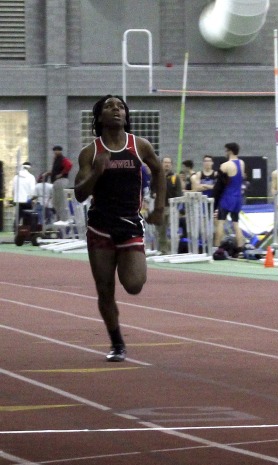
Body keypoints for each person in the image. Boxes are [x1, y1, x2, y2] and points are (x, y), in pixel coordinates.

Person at [73, 94, 166, 362]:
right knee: (105, 290)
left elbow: (159, 171)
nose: (116, 109)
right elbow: (80, 194)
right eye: (109, 106)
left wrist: (159, 208)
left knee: (134, 285)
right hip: (100, 228)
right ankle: (117, 342)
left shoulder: (140, 145)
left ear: (126, 116)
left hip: (130, 225)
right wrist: (96, 172)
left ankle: (117, 337)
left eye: (120, 107)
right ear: (99, 117)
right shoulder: (90, 152)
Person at [214, 142, 246, 249]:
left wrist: (215, 201)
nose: (225, 153)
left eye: (226, 151)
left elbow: (219, 186)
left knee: (220, 222)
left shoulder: (225, 166)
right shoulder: (242, 163)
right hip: (238, 198)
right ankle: (241, 248)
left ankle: (217, 247)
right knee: (236, 223)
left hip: (228, 197)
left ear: (230, 151)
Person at [156, 156, 184, 254]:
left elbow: (179, 193)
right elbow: (152, 189)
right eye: (165, 162)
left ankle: (173, 250)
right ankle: (163, 250)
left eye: (169, 163)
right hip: (160, 207)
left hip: (172, 207)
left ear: (171, 165)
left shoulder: (175, 177)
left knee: (173, 230)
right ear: (162, 164)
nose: (167, 164)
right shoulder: (157, 176)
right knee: (161, 230)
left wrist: (178, 208)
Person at [42, 146, 73, 223]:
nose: (55, 152)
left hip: (61, 181)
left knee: (61, 200)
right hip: (56, 182)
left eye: (57, 150)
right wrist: (48, 173)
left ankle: (64, 219)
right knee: (56, 202)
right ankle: (59, 218)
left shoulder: (62, 159)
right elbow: (55, 171)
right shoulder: (56, 160)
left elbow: (69, 165)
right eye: (55, 150)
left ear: (60, 151)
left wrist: (61, 174)